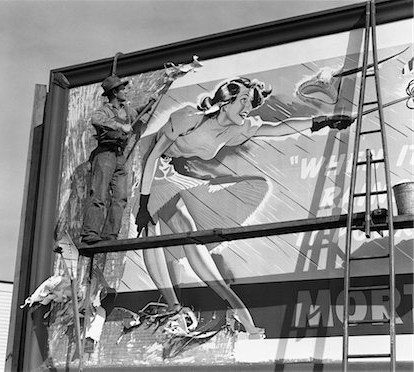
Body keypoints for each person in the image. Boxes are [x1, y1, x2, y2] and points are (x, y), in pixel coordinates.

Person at [134, 77, 354, 336]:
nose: (248, 106)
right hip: (140, 164)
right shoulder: (189, 117)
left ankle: (237, 313)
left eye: (251, 102)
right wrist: (144, 202)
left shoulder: (236, 130)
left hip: (163, 168)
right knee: (151, 228)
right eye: (243, 100)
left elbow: (279, 128)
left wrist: (322, 121)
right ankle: (174, 308)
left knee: (189, 232)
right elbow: (151, 154)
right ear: (225, 101)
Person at [81, 74, 153, 244]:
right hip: (105, 154)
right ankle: (90, 232)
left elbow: (139, 112)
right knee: (99, 193)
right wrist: (120, 125)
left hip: (119, 156)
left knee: (120, 197)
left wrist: (150, 103)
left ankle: (110, 234)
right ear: (115, 92)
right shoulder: (105, 110)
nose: (126, 91)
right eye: (123, 89)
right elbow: (96, 119)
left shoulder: (127, 111)